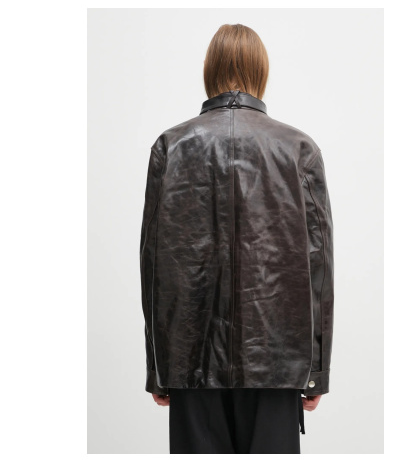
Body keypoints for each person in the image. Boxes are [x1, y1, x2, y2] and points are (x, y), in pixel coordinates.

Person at [139, 23, 334, 454]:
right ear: (262, 71)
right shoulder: (298, 149)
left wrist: (160, 367)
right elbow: (319, 268)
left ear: (208, 70)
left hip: (191, 364)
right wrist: (316, 370)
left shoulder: (171, 146)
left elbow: (154, 266)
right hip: (277, 364)